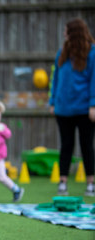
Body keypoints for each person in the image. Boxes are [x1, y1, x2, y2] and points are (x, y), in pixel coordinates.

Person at [49, 18, 95, 197]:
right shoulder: (62, 53)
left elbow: (93, 81)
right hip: (63, 109)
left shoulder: (91, 53)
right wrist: (52, 101)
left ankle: (90, 183)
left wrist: (93, 105)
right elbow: (56, 79)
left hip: (84, 109)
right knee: (66, 145)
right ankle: (62, 182)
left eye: (66, 30)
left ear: (74, 32)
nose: (63, 33)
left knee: (86, 145)